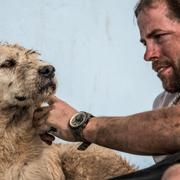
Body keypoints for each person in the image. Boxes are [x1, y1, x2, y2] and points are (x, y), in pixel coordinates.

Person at [34, 0, 180, 179]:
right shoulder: (163, 103)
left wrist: (82, 125)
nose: (148, 54)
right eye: (145, 43)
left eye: (159, 36)